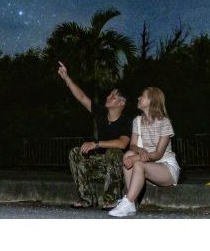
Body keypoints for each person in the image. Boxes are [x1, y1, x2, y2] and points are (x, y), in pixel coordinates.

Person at [57, 61, 131, 209]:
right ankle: (87, 198)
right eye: (109, 94)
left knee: (115, 152)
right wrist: (67, 78)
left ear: (121, 103)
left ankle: (110, 199)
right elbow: (82, 98)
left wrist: (96, 144)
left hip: (117, 169)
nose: (108, 97)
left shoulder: (126, 121)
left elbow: (122, 143)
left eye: (113, 96)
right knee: (75, 153)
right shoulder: (102, 113)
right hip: (99, 165)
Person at [109, 86, 179, 217]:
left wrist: (137, 158)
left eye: (142, 96)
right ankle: (130, 201)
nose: (138, 98)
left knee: (136, 162)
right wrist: (139, 150)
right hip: (147, 164)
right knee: (128, 155)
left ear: (152, 100)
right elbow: (133, 145)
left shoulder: (164, 123)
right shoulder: (137, 121)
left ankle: (128, 200)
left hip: (166, 168)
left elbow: (158, 154)